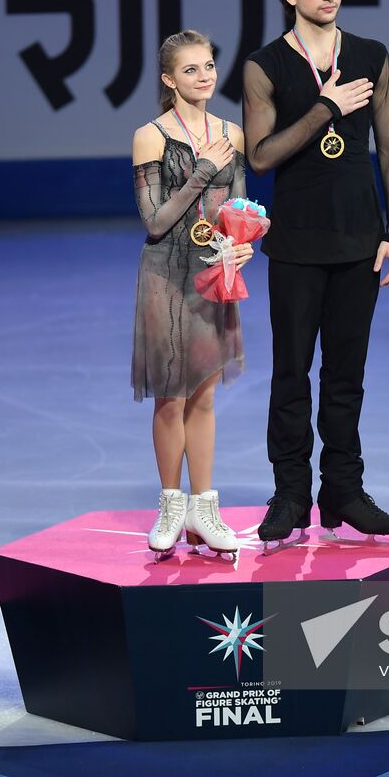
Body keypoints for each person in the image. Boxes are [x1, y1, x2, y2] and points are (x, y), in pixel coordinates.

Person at [241, 0, 389, 543]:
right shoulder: (265, 65)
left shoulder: (370, 54)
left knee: (347, 373)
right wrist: (325, 106)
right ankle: (291, 494)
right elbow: (261, 155)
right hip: (294, 244)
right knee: (291, 373)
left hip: (360, 242)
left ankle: (343, 488)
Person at [132, 30, 255, 560]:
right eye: (190, 70)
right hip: (165, 274)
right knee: (170, 395)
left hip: (214, 273)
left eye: (208, 66)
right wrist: (203, 168)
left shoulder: (233, 133)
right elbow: (156, 221)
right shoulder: (151, 137)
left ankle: (205, 510)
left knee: (203, 393)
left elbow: (241, 209)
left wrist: (243, 242)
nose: (204, 77)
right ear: (168, 79)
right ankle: (171, 506)